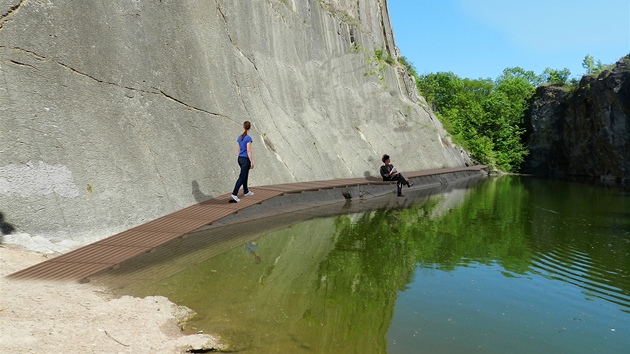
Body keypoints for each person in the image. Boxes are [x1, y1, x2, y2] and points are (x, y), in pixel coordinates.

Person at [231, 121, 255, 202]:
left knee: (245, 175)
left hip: (240, 158)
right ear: (249, 128)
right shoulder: (248, 138)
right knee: (242, 177)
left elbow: (239, 149)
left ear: (243, 127)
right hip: (245, 159)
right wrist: (251, 161)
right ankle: (234, 193)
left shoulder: (239, 137)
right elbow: (249, 151)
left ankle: (246, 191)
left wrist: (241, 155)